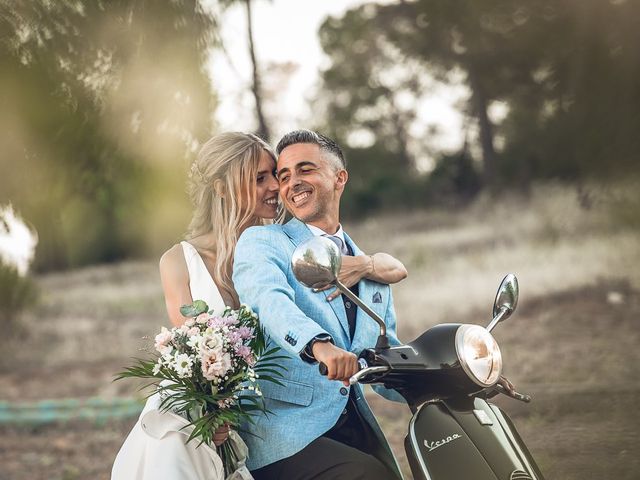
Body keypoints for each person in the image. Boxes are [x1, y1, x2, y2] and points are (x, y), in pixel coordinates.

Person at [111, 131, 406, 479]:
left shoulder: (291, 246)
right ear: (223, 188)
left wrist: (368, 264)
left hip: (299, 409)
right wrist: (211, 414)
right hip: (225, 416)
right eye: (261, 178)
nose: (275, 188)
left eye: (274, 176)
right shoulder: (182, 261)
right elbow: (195, 355)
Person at [233, 129, 407, 480]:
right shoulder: (265, 242)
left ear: (339, 177)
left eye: (305, 169)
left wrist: (456, 373)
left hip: (351, 425)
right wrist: (318, 345)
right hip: (284, 431)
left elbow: (383, 358)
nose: (292, 182)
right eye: (284, 176)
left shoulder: (368, 269)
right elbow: (267, 302)